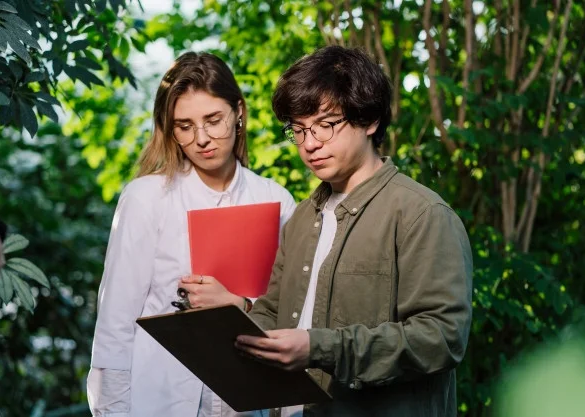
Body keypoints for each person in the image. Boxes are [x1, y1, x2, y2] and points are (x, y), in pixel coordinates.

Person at [233, 46, 473, 417]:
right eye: (298, 130)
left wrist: (319, 348)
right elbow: (276, 312)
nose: (310, 144)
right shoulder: (300, 219)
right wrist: (226, 328)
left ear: (370, 119)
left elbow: (441, 338)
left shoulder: (421, 214)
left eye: (325, 125)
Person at [87, 52, 296, 417]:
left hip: (246, 404)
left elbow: (290, 321)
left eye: (213, 120)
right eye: (184, 126)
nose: (202, 139)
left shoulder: (276, 200)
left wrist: (237, 305)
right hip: (160, 403)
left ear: (239, 111)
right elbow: (114, 327)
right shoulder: (147, 198)